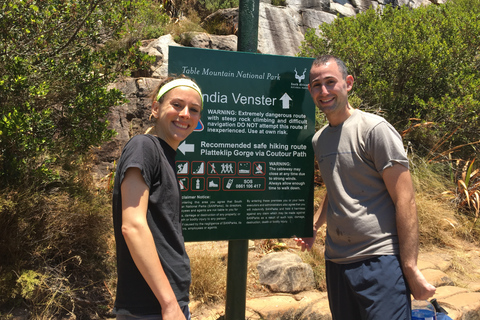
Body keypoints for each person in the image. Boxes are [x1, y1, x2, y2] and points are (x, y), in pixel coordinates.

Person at [295, 55, 436, 319]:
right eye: (316, 85)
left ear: (348, 84)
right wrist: (314, 226)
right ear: (310, 91)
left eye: (330, 82)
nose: (323, 91)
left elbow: (406, 199)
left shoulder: (374, 130)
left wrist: (410, 266)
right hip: (336, 262)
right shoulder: (319, 140)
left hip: (379, 260)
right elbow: (336, 187)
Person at [112, 75, 203, 320]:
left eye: (194, 109)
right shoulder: (144, 147)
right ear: (155, 107)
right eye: (177, 105)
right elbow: (132, 226)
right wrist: (169, 304)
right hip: (152, 306)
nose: (185, 114)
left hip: (168, 302)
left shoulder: (166, 156)